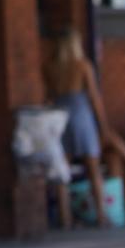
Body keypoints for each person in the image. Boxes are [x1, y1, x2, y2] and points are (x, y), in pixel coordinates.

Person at [43, 26, 112, 228]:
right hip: (81, 114)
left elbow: (48, 96)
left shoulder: (48, 67)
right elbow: (94, 97)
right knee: (93, 166)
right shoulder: (83, 65)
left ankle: (65, 218)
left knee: (62, 169)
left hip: (59, 115)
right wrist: (103, 125)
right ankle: (101, 214)